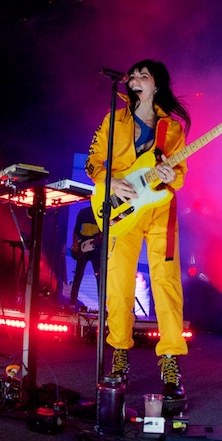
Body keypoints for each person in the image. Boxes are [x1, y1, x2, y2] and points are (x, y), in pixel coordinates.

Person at [85, 59, 191, 403]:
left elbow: (181, 173)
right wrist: (109, 179)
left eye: (143, 76)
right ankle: (119, 352)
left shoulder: (171, 128)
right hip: (120, 209)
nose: (134, 80)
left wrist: (170, 176)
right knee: (118, 283)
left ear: (156, 85)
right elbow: (93, 161)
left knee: (166, 283)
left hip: (160, 210)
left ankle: (170, 360)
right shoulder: (113, 120)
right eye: (133, 76)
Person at [67, 206, 102, 310]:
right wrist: (75, 243)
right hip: (83, 247)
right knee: (78, 275)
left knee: (99, 277)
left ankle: (101, 305)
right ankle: (72, 302)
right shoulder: (83, 211)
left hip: (95, 249)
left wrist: (99, 238)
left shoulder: (101, 211)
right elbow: (76, 229)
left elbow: (103, 231)